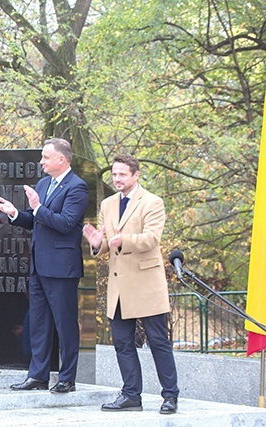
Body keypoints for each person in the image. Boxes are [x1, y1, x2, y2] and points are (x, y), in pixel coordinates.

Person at [82, 153, 179, 414]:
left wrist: (122, 240)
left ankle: (170, 396)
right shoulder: (109, 204)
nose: (117, 179)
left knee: (158, 342)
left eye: (122, 174)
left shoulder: (152, 202)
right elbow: (105, 245)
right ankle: (131, 395)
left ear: (136, 175)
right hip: (119, 286)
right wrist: (96, 243)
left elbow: (151, 239)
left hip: (146, 283)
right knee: (123, 343)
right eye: (114, 174)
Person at [0, 138, 89, 394]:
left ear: (61, 159)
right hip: (38, 265)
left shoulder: (77, 187)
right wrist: (14, 213)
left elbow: (66, 223)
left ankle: (67, 377)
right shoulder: (44, 183)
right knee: (39, 323)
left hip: (62, 268)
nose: (41, 161)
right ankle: (37, 375)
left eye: (46, 157)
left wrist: (37, 207)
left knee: (65, 324)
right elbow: (35, 221)